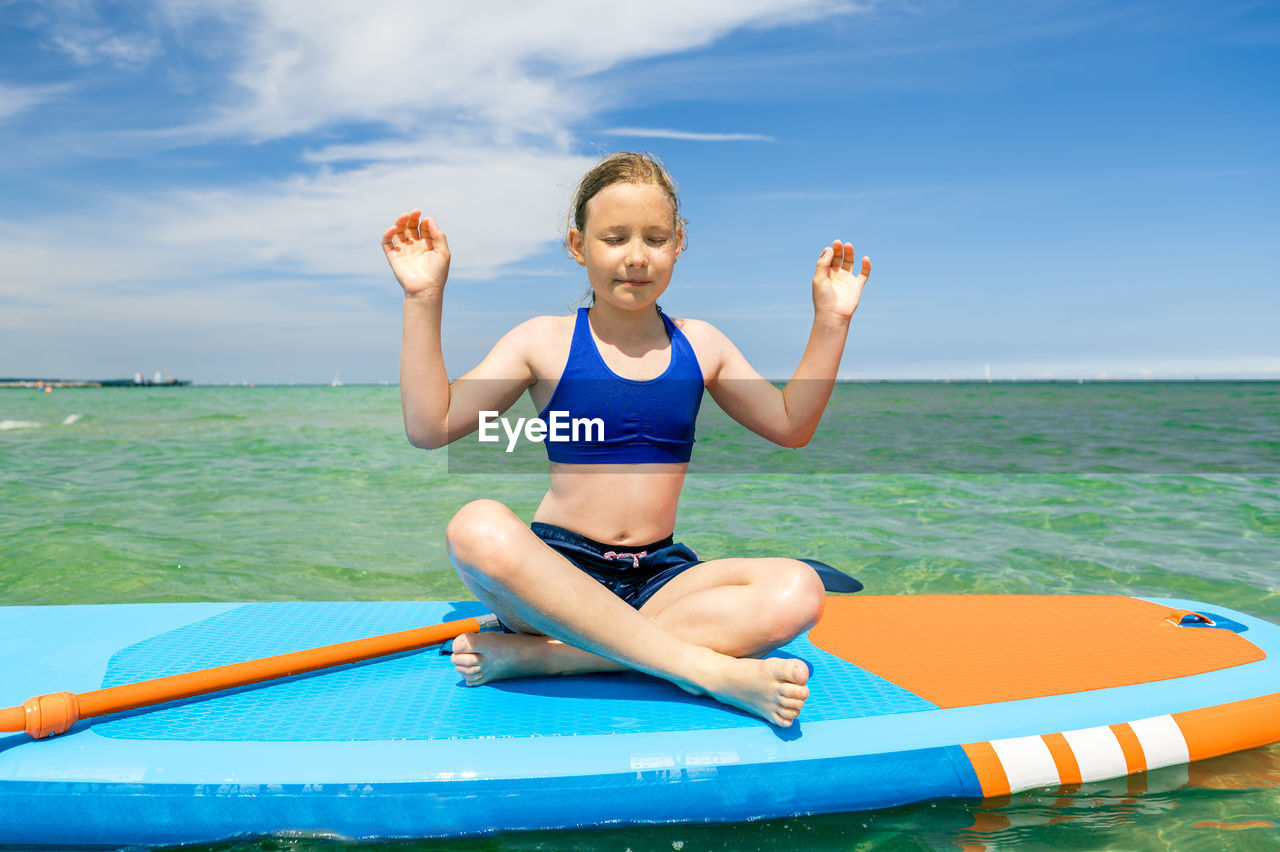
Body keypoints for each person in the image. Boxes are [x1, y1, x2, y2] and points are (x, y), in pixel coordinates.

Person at [382, 152, 869, 727]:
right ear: (577, 243)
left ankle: (558, 660)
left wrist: (831, 321)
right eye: (614, 238)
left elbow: (791, 425)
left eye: (655, 238)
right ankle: (702, 669)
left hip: (658, 576)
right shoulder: (543, 341)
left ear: (678, 242)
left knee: (799, 590)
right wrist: (422, 297)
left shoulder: (702, 344)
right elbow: (430, 426)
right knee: (475, 526)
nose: (636, 257)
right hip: (556, 580)